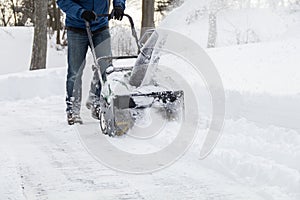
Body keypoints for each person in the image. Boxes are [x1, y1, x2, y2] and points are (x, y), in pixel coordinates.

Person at [57, 0, 126, 125]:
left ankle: (96, 100)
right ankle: (73, 109)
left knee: (106, 67)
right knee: (75, 71)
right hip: (77, 26)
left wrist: (118, 6)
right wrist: (81, 12)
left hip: (100, 25)